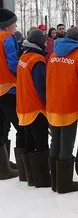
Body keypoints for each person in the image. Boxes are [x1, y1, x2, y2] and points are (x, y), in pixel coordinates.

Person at [46, 27, 78, 194]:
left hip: (53, 104)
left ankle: (55, 180)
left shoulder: (53, 56)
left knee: (55, 141)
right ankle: (64, 184)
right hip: (69, 105)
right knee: (66, 143)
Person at [16, 29, 51, 187]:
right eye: (44, 41)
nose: (46, 44)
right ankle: (42, 178)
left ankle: (28, 176)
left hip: (24, 105)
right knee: (41, 142)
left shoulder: (24, 57)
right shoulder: (37, 60)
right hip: (36, 107)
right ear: (38, 42)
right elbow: (41, 86)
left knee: (29, 141)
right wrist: (48, 105)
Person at [0, 9, 22, 180]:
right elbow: (13, 63)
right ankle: (23, 166)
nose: (15, 25)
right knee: (19, 125)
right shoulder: (8, 38)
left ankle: (4, 164)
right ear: (7, 24)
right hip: (9, 88)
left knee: (1, 126)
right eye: (14, 22)